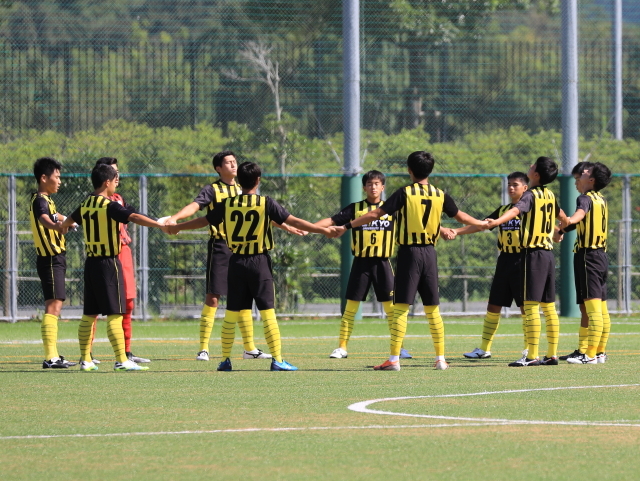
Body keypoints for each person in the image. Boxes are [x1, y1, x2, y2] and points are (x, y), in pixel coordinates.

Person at [168, 161, 334, 371]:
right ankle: (278, 360)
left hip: (235, 261)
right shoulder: (265, 202)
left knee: (231, 312)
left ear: (239, 180)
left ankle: (225, 360)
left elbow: (204, 220)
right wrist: (324, 230)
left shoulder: (228, 203)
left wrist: (179, 227)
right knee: (267, 312)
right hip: (259, 262)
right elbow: (295, 221)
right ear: (258, 180)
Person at [331, 151, 488, 371]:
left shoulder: (404, 193)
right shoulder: (439, 194)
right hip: (430, 254)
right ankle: (440, 358)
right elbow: (461, 217)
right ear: (430, 170)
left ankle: (394, 359)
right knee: (433, 309)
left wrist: (347, 226)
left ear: (409, 170)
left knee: (401, 307)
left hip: (409, 254)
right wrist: (481, 223)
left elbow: (376, 214)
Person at [162, 151, 272, 362]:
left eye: (234, 162)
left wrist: (287, 226)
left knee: (242, 299)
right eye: (228, 162)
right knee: (213, 296)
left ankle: (249, 348)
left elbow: (264, 212)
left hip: (242, 248)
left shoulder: (244, 189)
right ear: (218, 168)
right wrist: (175, 218)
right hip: (221, 246)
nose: (233, 165)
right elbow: (195, 207)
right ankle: (203, 348)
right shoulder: (212, 189)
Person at [60, 164, 169, 371]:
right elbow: (134, 217)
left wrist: (63, 227)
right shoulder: (107, 205)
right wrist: (159, 224)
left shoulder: (86, 204)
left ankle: (86, 360)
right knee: (115, 313)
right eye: (115, 179)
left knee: (89, 314)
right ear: (106, 182)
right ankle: (122, 360)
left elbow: (69, 222)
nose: (116, 183)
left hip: (90, 263)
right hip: (109, 263)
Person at [484, 156, 569, 367]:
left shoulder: (530, 195)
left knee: (530, 306)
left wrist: (497, 221)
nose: (529, 167)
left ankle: (532, 356)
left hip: (532, 255)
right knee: (549, 307)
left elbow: (514, 211)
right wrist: (561, 231)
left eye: (531, 166)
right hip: (548, 255)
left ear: (536, 175)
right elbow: (563, 217)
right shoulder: (549, 194)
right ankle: (552, 354)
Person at [456, 171, 529, 360]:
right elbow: (482, 225)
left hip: (524, 260)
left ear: (525, 188)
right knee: (493, 305)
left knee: (525, 307)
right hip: (504, 260)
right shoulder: (503, 209)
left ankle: (529, 349)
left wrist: (558, 230)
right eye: (509, 184)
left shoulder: (530, 210)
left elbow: (547, 225)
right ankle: (484, 348)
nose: (511, 188)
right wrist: (456, 231)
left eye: (515, 184)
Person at [86, 157, 150, 364]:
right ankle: (89, 354)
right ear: (105, 178)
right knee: (98, 309)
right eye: (114, 173)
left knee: (128, 303)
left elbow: (135, 213)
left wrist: (158, 221)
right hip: (107, 254)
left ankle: (127, 352)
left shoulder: (118, 198)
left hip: (123, 251)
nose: (118, 177)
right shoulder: (98, 202)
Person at [556, 162, 612, 364]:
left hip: (588, 256)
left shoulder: (585, 198)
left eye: (584, 173)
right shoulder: (602, 199)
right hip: (601, 256)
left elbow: (580, 214)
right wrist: (563, 229)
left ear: (592, 180)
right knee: (601, 308)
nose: (580, 176)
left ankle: (589, 355)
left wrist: (567, 220)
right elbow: (584, 220)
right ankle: (599, 352)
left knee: (593, 309)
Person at [29, 157, 76, 369]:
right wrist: (57, 226)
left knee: (55, 304)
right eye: (57, 177)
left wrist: (68, 220)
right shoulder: (40, 200)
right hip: (50, 259)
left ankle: (54, 355)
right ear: (44, 178)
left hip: (54, 259)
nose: (60, 181)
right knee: (54, 305)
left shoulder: (47, 200)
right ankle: (50, 358)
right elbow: (45, 219)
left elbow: (54, 214)